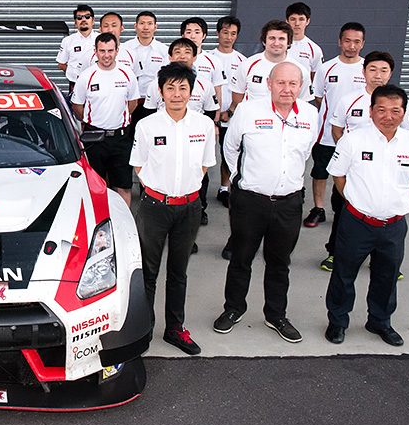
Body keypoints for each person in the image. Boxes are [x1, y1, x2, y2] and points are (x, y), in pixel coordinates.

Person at [215, 62, 317, 343]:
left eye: (293, 84)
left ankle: (276, 315)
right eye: (280, 82)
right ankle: (233, 309)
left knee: (280, 263)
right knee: (241, 259)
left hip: (289, 204)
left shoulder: (310, 114)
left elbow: (305, 152)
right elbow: (230, 147)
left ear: (301, 86)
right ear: (269, 84)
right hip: (250, 201)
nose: (287, 89)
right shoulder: (248, 110)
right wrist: (240, 178)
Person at [324, 84, 409, 347]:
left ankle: (380, 321)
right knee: (343, 274)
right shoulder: (353, 140)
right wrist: (357, 202)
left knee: (387, 276)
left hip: (393, 226)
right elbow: (338, 175)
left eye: (395, 111)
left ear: (404, 113)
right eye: (381, 110)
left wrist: (391, 204)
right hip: (357, 222)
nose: (388, 116)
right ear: (371, 111)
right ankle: (338, 321)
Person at [129, 62, 217, 355]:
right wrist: (161, 190)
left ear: (191, 91)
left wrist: (184, 190)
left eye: (183, 88)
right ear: (160, 91)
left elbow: (204, 165)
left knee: (179, 272)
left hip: (189, 208)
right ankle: (144, 329)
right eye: (170, 88)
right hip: (154, 207)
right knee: (148, 272)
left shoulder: (204, 126)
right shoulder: (147, 126)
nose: (176, 94)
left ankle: (175, 329)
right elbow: (139, 166)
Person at [323, 51, 409, 271]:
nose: (378, 75)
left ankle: (382, 260)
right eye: (372, 69)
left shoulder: (402, 102)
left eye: (384, 70)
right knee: (344, 213)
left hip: (386, 171)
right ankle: (335, 253)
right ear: (363, 72)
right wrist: (348, 158)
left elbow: (408, 136)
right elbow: (337, 130)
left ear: (390, 74)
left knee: (385, 217)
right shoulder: (348, 100)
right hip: (353, 170)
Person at [143, 37, 219, 228]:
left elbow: (211, 111)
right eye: (177, 51)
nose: (182, 56)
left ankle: (198, 209)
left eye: (187, 52)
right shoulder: (156, 84)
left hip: (194, 139)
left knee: (198, 175)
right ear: (169, 56)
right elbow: (149, 111)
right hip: (163, 138)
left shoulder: (204, 85)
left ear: (195, 56)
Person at [303, 23, 366, 229]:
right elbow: (318, 97)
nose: (351, 46)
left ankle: (348, 208)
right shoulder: (326, 68)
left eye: (356, 42)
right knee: (320, 172)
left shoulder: (367, 68)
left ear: (362, 44)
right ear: (340, 41)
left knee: (352, 173)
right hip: (327, 134)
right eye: (347, 41)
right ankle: (318, 208)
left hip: (357, 136)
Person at [71, 32, 140, 206]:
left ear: (117, 51)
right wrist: (94, 122)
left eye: (110, 50)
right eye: (102, 51)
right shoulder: (86, 76)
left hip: (121, 138)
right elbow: (77, 107)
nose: (106, 55)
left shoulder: (127, 74)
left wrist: (117, 120)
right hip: (95, 140)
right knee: (95, 185)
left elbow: (132, 103)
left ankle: (123, 220)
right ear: (95, 51)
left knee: (123, 186)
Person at [227, 20, 311, 113]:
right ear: (264, 41)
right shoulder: (247, 65)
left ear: (288, 43)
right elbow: (237, 101)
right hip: (253, 120)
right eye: (272, 38)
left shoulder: (300, 70)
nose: (276, 43)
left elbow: (303, 104)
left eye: (281, 39)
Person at [207, 16, 245, 208]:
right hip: (210, 116)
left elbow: (244, 90)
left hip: (232, 117)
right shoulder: (208, 58)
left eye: (233, 33)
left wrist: (230, 111)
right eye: (225, 32)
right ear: (217, 33)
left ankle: (224, 188)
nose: (229, 37)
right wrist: (215, 114)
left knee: (229, 152)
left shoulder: (242, 61)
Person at [121, 11, 169, 124]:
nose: (146, 27)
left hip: (155, 102)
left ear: (155, 27)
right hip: (130, 101)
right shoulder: (125, 48)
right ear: (135, 26)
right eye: (142, 23)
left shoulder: (164, 51)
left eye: (150, 23)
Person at [56, 4, 98, 96]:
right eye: (79, 18)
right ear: (75, 22)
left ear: (93, 21)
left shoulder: (101, 39)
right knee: (75, 105)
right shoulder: (68, 41)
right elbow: (61, 64)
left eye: (87, 17)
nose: (83, 20)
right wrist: (73, 74)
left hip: (98, 83)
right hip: (75, 84)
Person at [285, 1, 323, 88]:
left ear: (307, 21)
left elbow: (316, 77)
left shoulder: (314, 49)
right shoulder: (278, 45)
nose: (297, 23)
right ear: (287, 21)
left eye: (301, 19)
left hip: (303, 94)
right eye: (293, 19)